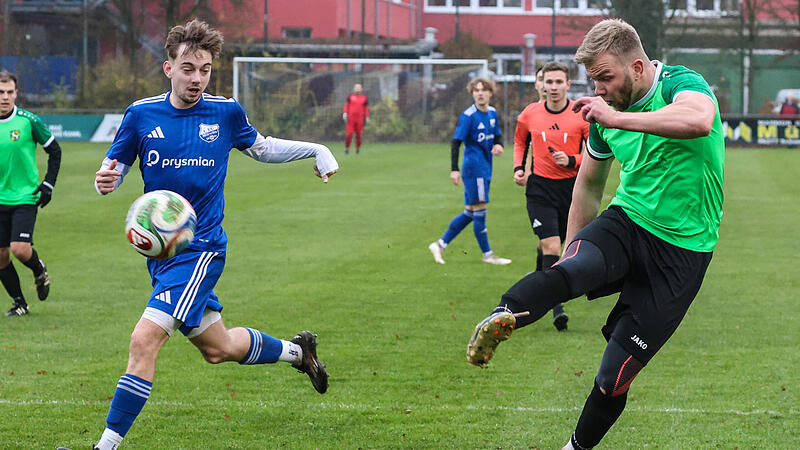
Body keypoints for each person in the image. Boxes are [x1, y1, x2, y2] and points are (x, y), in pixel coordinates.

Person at [466, 18, 724, 449]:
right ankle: (502, 314)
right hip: (629, 221)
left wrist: (617, 117)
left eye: (607, 77)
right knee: (574, 267)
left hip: (683, 253)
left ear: (638, 67)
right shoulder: (604, 117)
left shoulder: (680, 82)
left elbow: (699, 119)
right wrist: (569, 255)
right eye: (594, 80)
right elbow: (587, 186)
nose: (599, 88)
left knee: (612, 376)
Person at [90, 20, 337, 450]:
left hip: (200, 249)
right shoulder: (141, 114)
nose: (197, 79)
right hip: (163, 255)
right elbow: (116, 168)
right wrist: (106, 180)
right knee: (218, 348)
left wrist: (316, 149)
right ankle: (299, 353)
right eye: (188, 68)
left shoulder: (225, 112)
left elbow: (263, 147)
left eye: (204, 69)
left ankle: (105, 448)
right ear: (168, 68)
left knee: (143, 339)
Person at [512, 61, 589, 331]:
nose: (553, 87)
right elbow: (521, 140)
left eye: (559, 82)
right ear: (541, 84)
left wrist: (571, 160)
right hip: (539, 189)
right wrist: (519, 168)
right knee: (553, 246)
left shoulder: (581, 115)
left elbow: (595, 155)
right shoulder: (530, 114)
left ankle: (539, 277)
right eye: (549, 82)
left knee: (555, 247)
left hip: (572, 190)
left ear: (568, 85)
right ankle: (555, 306)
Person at [428, 77, 511, 266]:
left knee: (471, 212)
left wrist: (498, 146)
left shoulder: (492, 113)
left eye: (483, 90)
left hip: (486, 166)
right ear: (472, 93)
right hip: (474, 169)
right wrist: (454, 169)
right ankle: (488, 254)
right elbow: (456, 142)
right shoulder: (468, 116)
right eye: (476, 90)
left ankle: (440, 244)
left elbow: (497, 136)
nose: (480, 93)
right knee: (480, 208)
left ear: (490, 92)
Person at [0, 70, 57, 317]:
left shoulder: (28, 120)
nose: (4, 97)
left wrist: (48, 185)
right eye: (0, 92)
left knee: (19, 249)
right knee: (0, 257)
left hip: (25, 196)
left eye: (9, 92)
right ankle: (20, 303)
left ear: (16, 93)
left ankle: (38, 269)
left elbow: (55, 151)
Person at [343, 83, 369, 154]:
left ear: (361, 89)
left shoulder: (364, 98)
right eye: (356, 87)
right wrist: (345, 113)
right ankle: (347, 148)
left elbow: (366, 108)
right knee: (349, 134)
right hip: (351, 119)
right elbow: (346, 106)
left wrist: (367, 116)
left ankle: (357, 148)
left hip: (359, 119)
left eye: (359, 87)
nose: (357, 89)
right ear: (354, 89)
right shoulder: (350, 97)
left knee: (359, 135)